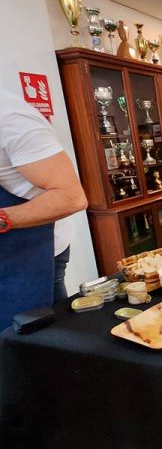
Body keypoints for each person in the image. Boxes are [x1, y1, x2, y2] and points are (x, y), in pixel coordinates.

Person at [0, 87, 88, 329]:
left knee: (37, 337)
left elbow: (71, 198)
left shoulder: (11, 119)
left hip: (31, 257)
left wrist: (3, 219)